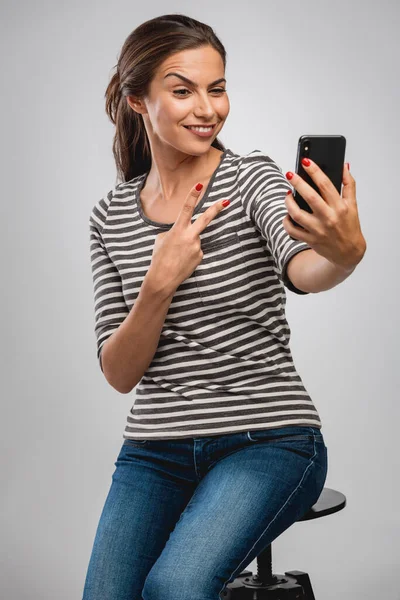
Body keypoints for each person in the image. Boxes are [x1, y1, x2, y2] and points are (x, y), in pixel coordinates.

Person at [83, 13, 366, 600]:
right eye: (183, 90)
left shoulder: (251, 179)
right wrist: (158, 283)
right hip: (153, 452)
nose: (207, 108)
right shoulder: (109, 216)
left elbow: (305, 269)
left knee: (176, 587)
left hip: (270, 440)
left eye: (217, 89)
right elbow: (119, 371)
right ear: (137, 99)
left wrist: (343, 254)